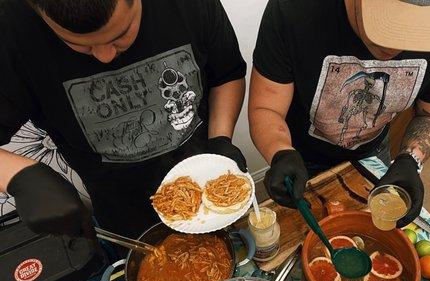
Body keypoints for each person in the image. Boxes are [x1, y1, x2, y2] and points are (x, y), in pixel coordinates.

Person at [0, 0, 247, 238]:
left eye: (120, 34)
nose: (105, 56)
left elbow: (225, 73)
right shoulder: (12, 29)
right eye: (79, 45)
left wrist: (220, 139)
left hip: (208, 184)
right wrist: (20, 177)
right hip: (121, 210)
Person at [249, 0, 430, 227]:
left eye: (417, 29)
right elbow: (266, 107)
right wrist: (280, 152)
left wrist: (411, 159)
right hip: (298, 154)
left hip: (374, 152)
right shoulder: (294, 9)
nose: (396, 47)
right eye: (389, 23)